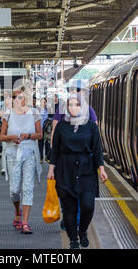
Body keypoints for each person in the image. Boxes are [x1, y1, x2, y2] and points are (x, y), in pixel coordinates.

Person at [47, 93, 108, 249]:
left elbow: (97, 149)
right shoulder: (61, 126)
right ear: (67, 107)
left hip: (86, 169)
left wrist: (101, 169)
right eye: (71, 105)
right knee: (69, 208)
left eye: (77, 105)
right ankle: (73, 239)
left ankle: (83, 231)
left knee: (88, 205)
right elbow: (55, 150)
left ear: (83, 107)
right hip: (65, 169)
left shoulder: (91, 126)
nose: (73, 108)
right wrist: (51, 168)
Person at [0, 87, 43, 234]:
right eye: (15, 97)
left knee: (27, 187)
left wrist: (28, 136)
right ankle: (17, 211)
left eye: (21, 97)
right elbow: (1, 137)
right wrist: (12, 138)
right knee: (14, 190)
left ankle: (25, 222)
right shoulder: (8, 114)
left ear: (26, 99)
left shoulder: (34, 113)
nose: (18, 100)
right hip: (13, 154)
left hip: (29, 153)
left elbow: (40, 135)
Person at [38, 97, 50, 164]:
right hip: (40, 129)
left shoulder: (48, 110)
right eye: (42, 102)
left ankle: (47, 156)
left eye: (45, 102)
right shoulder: (38, 110)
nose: (44, 103)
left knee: (48, 143)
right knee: (40, 143)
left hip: (47, 129)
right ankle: (41, 157)